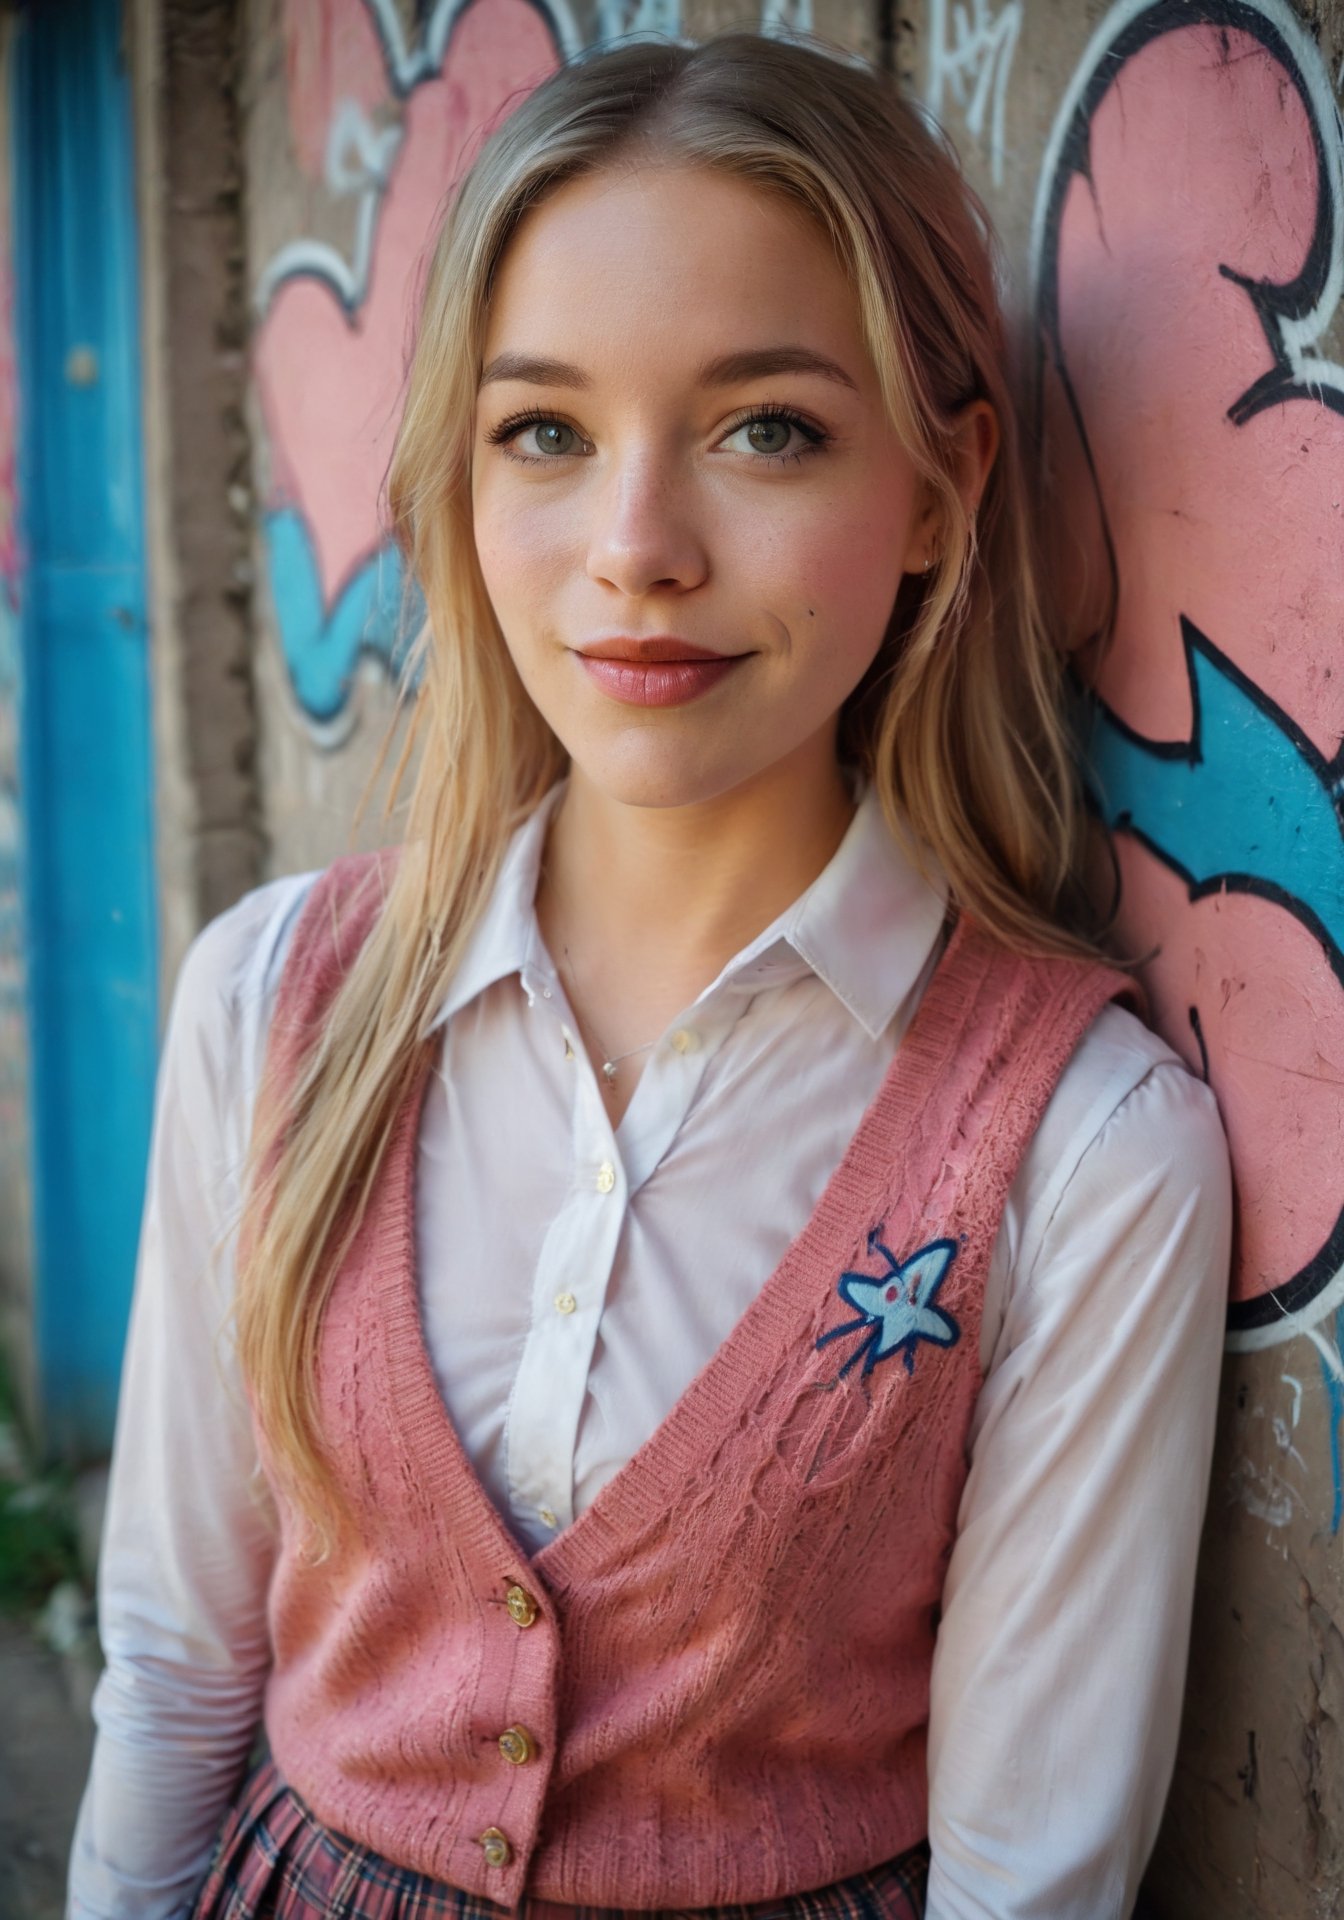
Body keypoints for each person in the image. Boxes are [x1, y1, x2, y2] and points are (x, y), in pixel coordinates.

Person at [67, 31, 1232, 1920]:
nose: (635, 552)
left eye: (766, 427)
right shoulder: (275, 1001)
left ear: (940, 491)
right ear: (462, 475)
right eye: (546, 431)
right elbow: (178, 1663)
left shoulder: (1088, 1156)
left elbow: (1034, 1879)